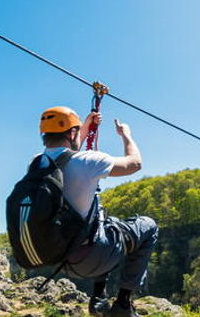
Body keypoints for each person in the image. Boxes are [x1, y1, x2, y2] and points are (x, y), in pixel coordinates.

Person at [38, 106, 158, 317]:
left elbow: (66, 155)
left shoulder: (36, 164)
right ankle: (123, 304)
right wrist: (126, 135)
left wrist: (84, 127)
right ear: (72, 133)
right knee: (148, 226)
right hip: (93, 258)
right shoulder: (88, 161)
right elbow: (134, 164)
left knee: (104, 222)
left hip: (61, 260)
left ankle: (98, 298)